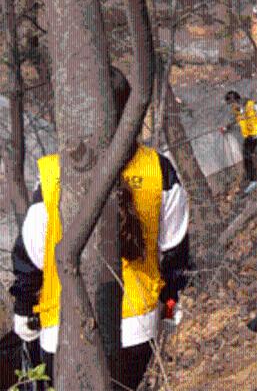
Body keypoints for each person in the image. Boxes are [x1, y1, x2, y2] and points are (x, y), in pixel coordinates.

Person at [10, 67, 190, 390]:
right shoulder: (158, 170)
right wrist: (171, 300)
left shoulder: (53, 176)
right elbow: (176, 251)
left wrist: (24, 309)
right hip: (138, 327)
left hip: (62, 330)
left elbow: (32, 255)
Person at [221, 90, 257, 194]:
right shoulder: (237, 109)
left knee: (256, 154)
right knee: (246, 157)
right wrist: (227, 127)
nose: (231, 106)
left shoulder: (251, 104)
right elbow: (236, 120)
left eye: (231, 103)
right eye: (230, 104)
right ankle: (253, 180)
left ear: (235, 100)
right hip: (249, 135)